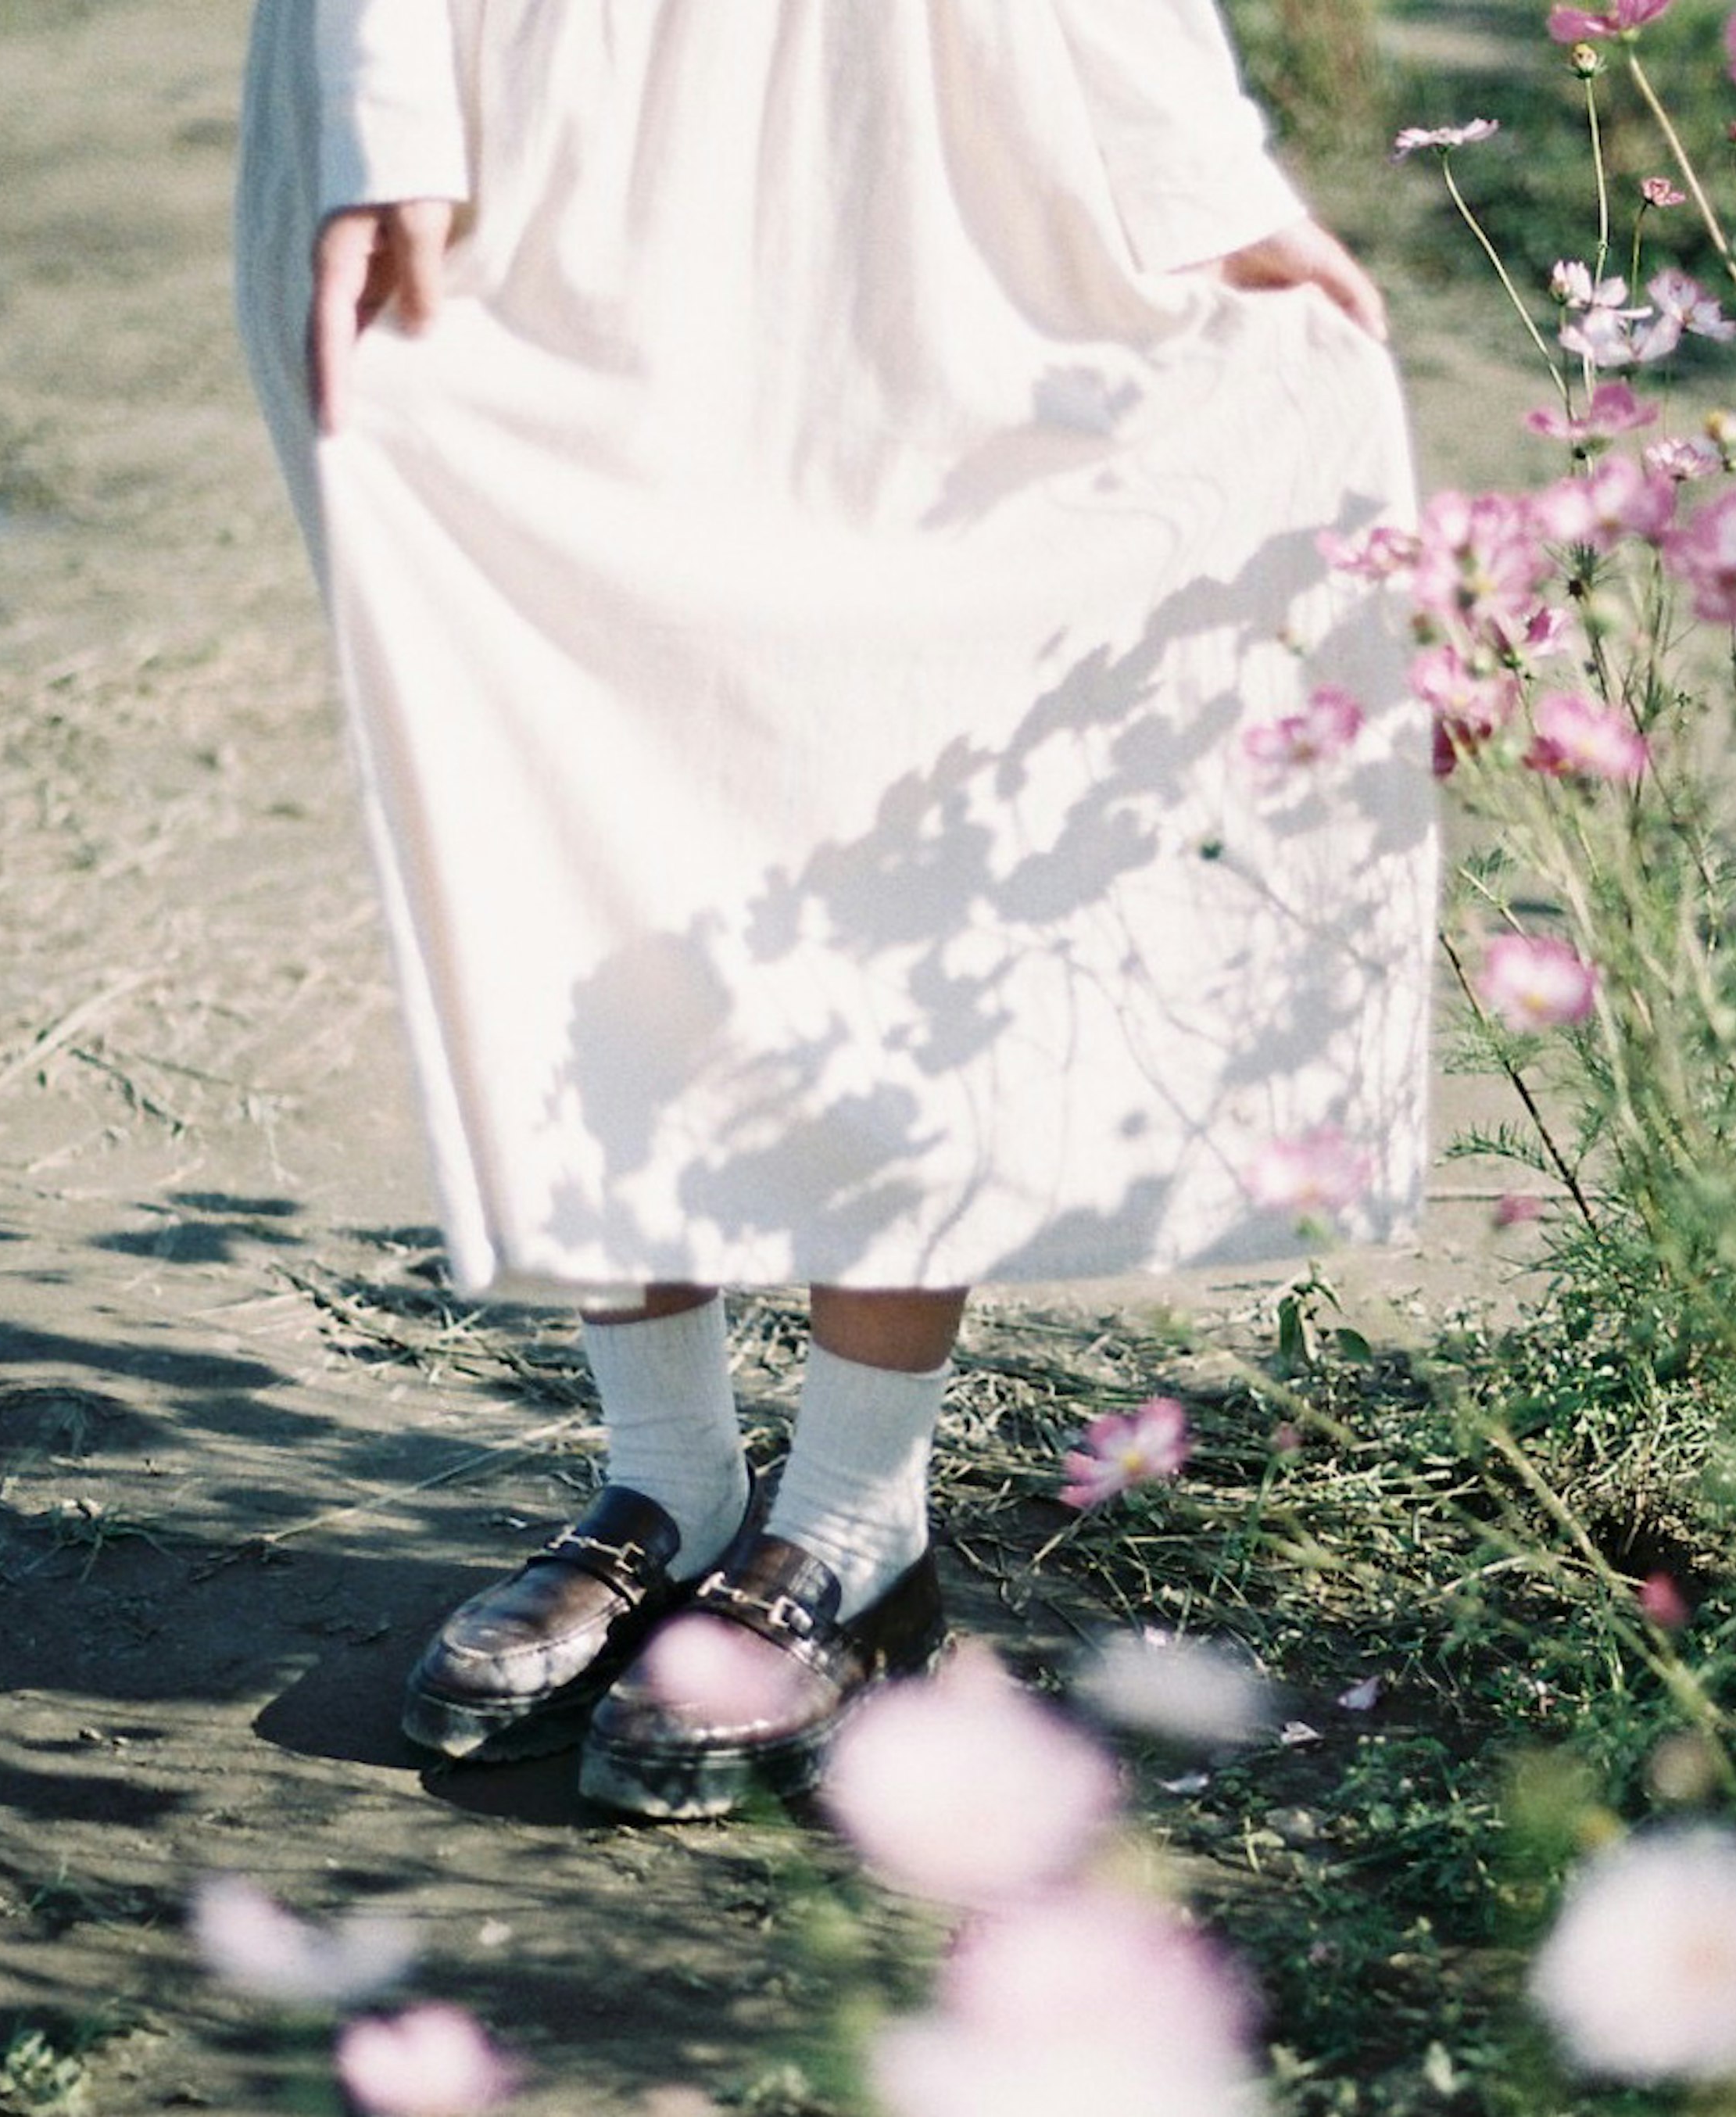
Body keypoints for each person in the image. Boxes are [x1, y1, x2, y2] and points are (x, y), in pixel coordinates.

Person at [234, 0, 1437, 1819]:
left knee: (913, 780)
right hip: (524, 84)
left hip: (918, 84)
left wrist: (1189, 159)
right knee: (563, 772)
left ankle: (856, 1524)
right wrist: (387, 106)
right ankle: (668, 1479)